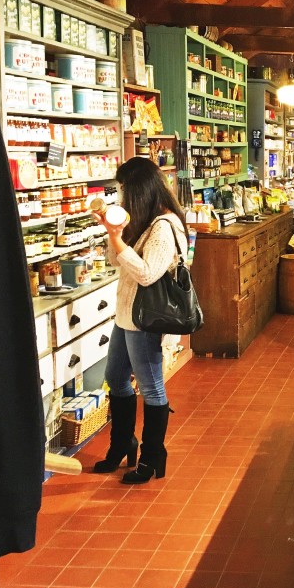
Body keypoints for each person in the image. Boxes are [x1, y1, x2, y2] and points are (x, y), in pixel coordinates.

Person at [94, 157, 188, 484]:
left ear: (138, 190)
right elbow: (116, 260)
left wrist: (118, 238)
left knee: (150, 387)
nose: (120, 198)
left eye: (123, 191)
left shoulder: (164, 226)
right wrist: (115, 234)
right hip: (126, 315)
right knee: (115, 377)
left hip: (145, 320)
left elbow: (147, 274)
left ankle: (151, 458)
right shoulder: (144, 221)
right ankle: (123, 443)